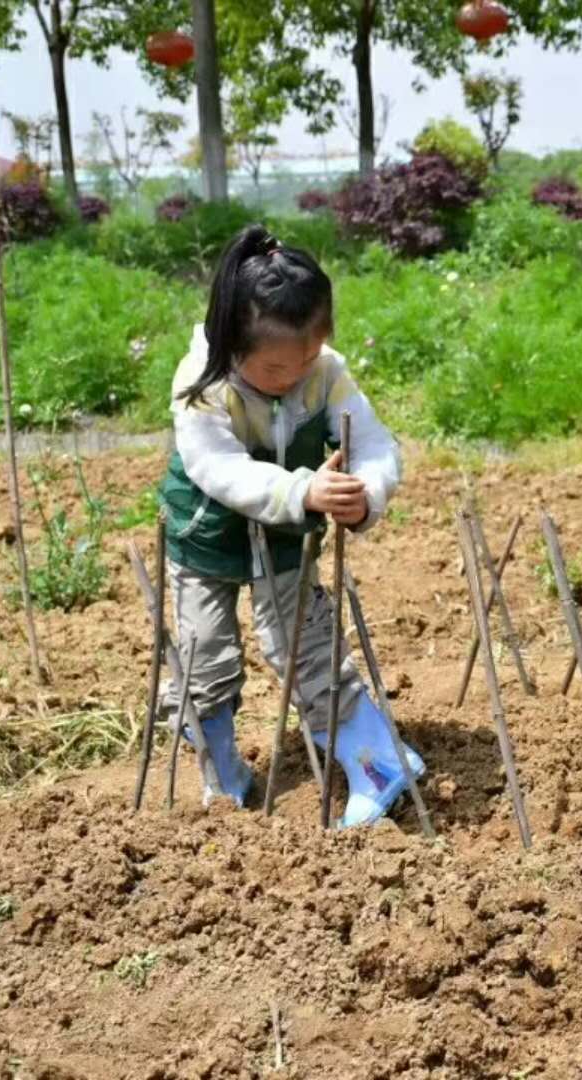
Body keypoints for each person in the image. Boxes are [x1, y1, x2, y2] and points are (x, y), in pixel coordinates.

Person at [159, 223, 423, 827]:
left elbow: (375, 443)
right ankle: (222, 776)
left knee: (304, 646)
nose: (297, 376)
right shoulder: (203, 385)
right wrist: (302, 488)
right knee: (205, 658)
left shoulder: (323, 371)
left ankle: (379, 762)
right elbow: (218, 469)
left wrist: (366, 491)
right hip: (206, 534)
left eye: (309, 357)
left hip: (285, 533)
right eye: (279, 368)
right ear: (232, 346)